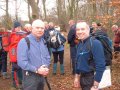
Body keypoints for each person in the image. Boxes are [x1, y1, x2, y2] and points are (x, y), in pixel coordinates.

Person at [17, 19, 50, 90]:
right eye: (37, 28)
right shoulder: (24, 42)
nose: (40, 30)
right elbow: (21, 62)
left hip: (41, 76)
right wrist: (37, 70)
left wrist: (46, 67)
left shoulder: (43, 41)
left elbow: (47, 56)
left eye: (42, 28)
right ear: (32, 29)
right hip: (30, 77)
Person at [74, 21, 106, 90]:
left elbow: (101, 65)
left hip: (92, 79)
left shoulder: (95, 43)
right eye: (78, 29)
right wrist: (76, 77)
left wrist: (95, 85)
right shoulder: (80, 43)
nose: (79, 31)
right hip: (83, 78)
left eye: (82, 29)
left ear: (88, 30)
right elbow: (78, 61)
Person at [9, 21, 26, 89]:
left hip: (19, 56)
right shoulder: (14, 35)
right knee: (16, 69)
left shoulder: (18, 34)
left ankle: (19, 83)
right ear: (15, 28)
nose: (19, 28)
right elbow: (14, 46)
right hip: (15, 57)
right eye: (18, 27)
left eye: (20, 27)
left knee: (18, 69)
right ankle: (17, 84)